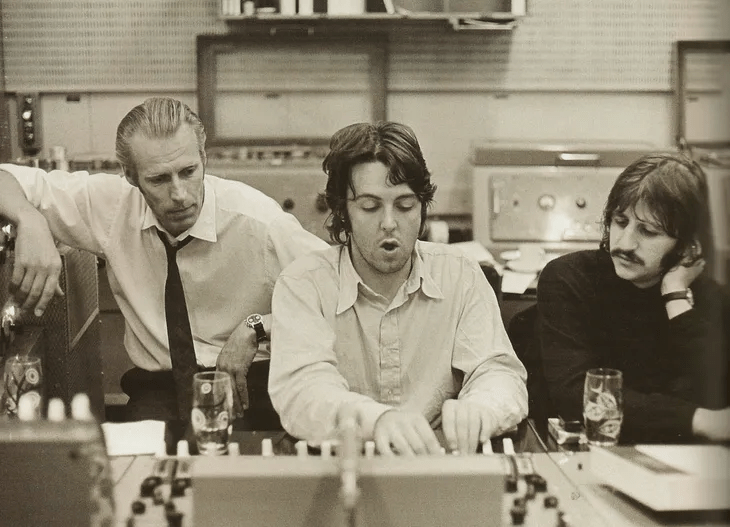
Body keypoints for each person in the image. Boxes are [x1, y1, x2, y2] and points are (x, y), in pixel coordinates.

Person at [0, 97, 328, 425]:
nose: (180, 194)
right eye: (158, 179)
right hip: (161, 388)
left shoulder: (260, 223)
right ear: (130, 176)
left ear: (203, 159)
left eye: (188, 172)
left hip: (251, 380)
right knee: (141, 454)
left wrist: (258, 327)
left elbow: (339, 293)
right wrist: (30, 219)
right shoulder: (112, 206)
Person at [268, 121, 527, 455]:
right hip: (345, 464)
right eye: (370, 207)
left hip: (439, 465)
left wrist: (481, 409)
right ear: (343, 212)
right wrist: (377, 421)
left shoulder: (460, 274)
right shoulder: (304, 284)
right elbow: (303, 391)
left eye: (405, 206)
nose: (389, 223)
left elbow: (499, 373)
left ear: (422, 208)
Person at [537, 152, 730, 443]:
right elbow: (576, 395)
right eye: (620, 221)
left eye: (648, 232)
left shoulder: (710, 297)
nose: (625, 243)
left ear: (686, 246)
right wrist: (697, 419)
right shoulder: (569, 278)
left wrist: (675, 297)